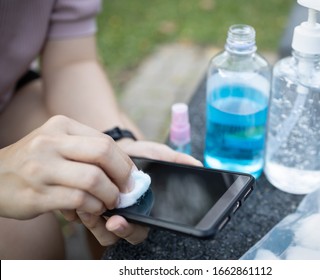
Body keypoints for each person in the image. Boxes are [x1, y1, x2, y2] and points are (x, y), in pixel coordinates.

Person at [0, 0, 200, 259]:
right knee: (32, 244)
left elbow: (71, 62)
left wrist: (115, 139)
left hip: (10, 93)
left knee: (109, 183)